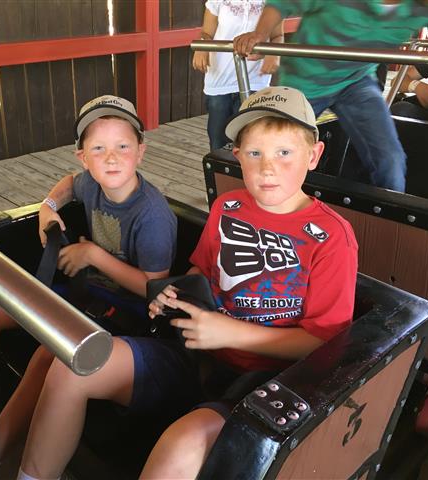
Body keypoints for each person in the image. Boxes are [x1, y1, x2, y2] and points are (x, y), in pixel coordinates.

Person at [0, 95, 178, 477]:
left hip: (128, 316)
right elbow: (68, 185)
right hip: (89, 296)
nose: (111, 158)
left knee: (47, 355)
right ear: (83, 157)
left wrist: (93, 256)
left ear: (140, 151)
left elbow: (155, 286)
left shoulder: (152, 216)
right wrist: (47, 207)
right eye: (98, 149)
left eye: (122, 147)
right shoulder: (92, 184)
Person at [139, 86, 359, 479]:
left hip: (275, 381)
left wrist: (230, 333)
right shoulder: (228, 206)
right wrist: (176, 296)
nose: (267, 168)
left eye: (284, 152)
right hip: (204, 353)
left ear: (313, 155)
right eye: (255, 153)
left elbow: (323, 341)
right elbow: (202, 272)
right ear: (238, 155)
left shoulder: (332, 237)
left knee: (182, 443)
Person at [233, 0, 428, 193]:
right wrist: (261, 33)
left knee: (390, 159)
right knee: (279, 150)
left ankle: (386, 223)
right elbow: (282, 3)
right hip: (306, 79)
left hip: (358, 80)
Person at [193, 0, 283, 150]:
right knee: (218, 143)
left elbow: (277, 35)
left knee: (249, 141)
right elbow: (207, 32)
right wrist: (202, 46)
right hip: (220, 80)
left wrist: (274, 55)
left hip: (254, 80)